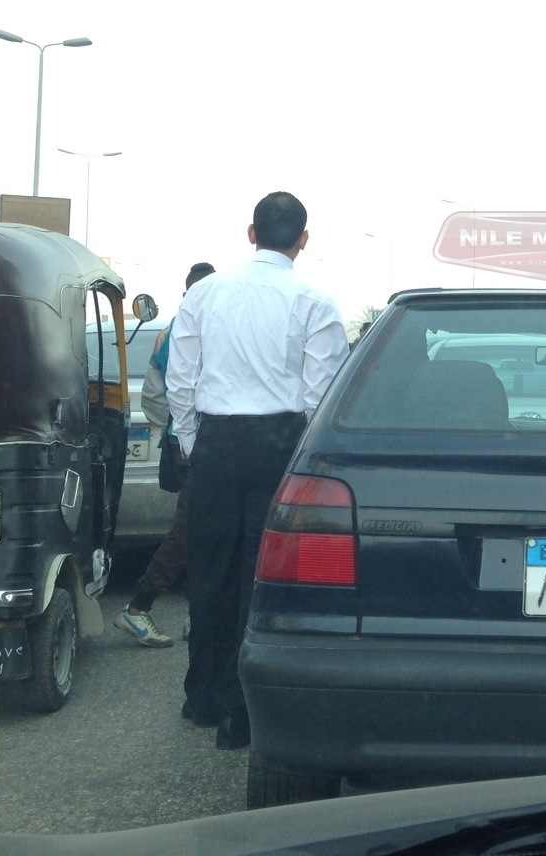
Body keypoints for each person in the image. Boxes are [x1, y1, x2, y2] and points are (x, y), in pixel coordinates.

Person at [166, 193, 349, 748]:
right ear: (304, 239)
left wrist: (196, 443)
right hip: (281, 445)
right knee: (262, 578)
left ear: (251, 233)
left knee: (209, 572)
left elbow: (181, 380)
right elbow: (321, 396)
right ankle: (243, 713)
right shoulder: (315, 302)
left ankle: (202, 696)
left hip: (216, 444)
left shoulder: (205, 293)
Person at [115, 261, 215, 650]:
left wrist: (171, 431)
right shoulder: (202, 330)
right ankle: (139, 606)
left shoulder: (169, 332)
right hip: (202, 444)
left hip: (183, 442)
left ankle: (197, 612)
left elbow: (154, 396)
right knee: (191, 530)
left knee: (202, 530)